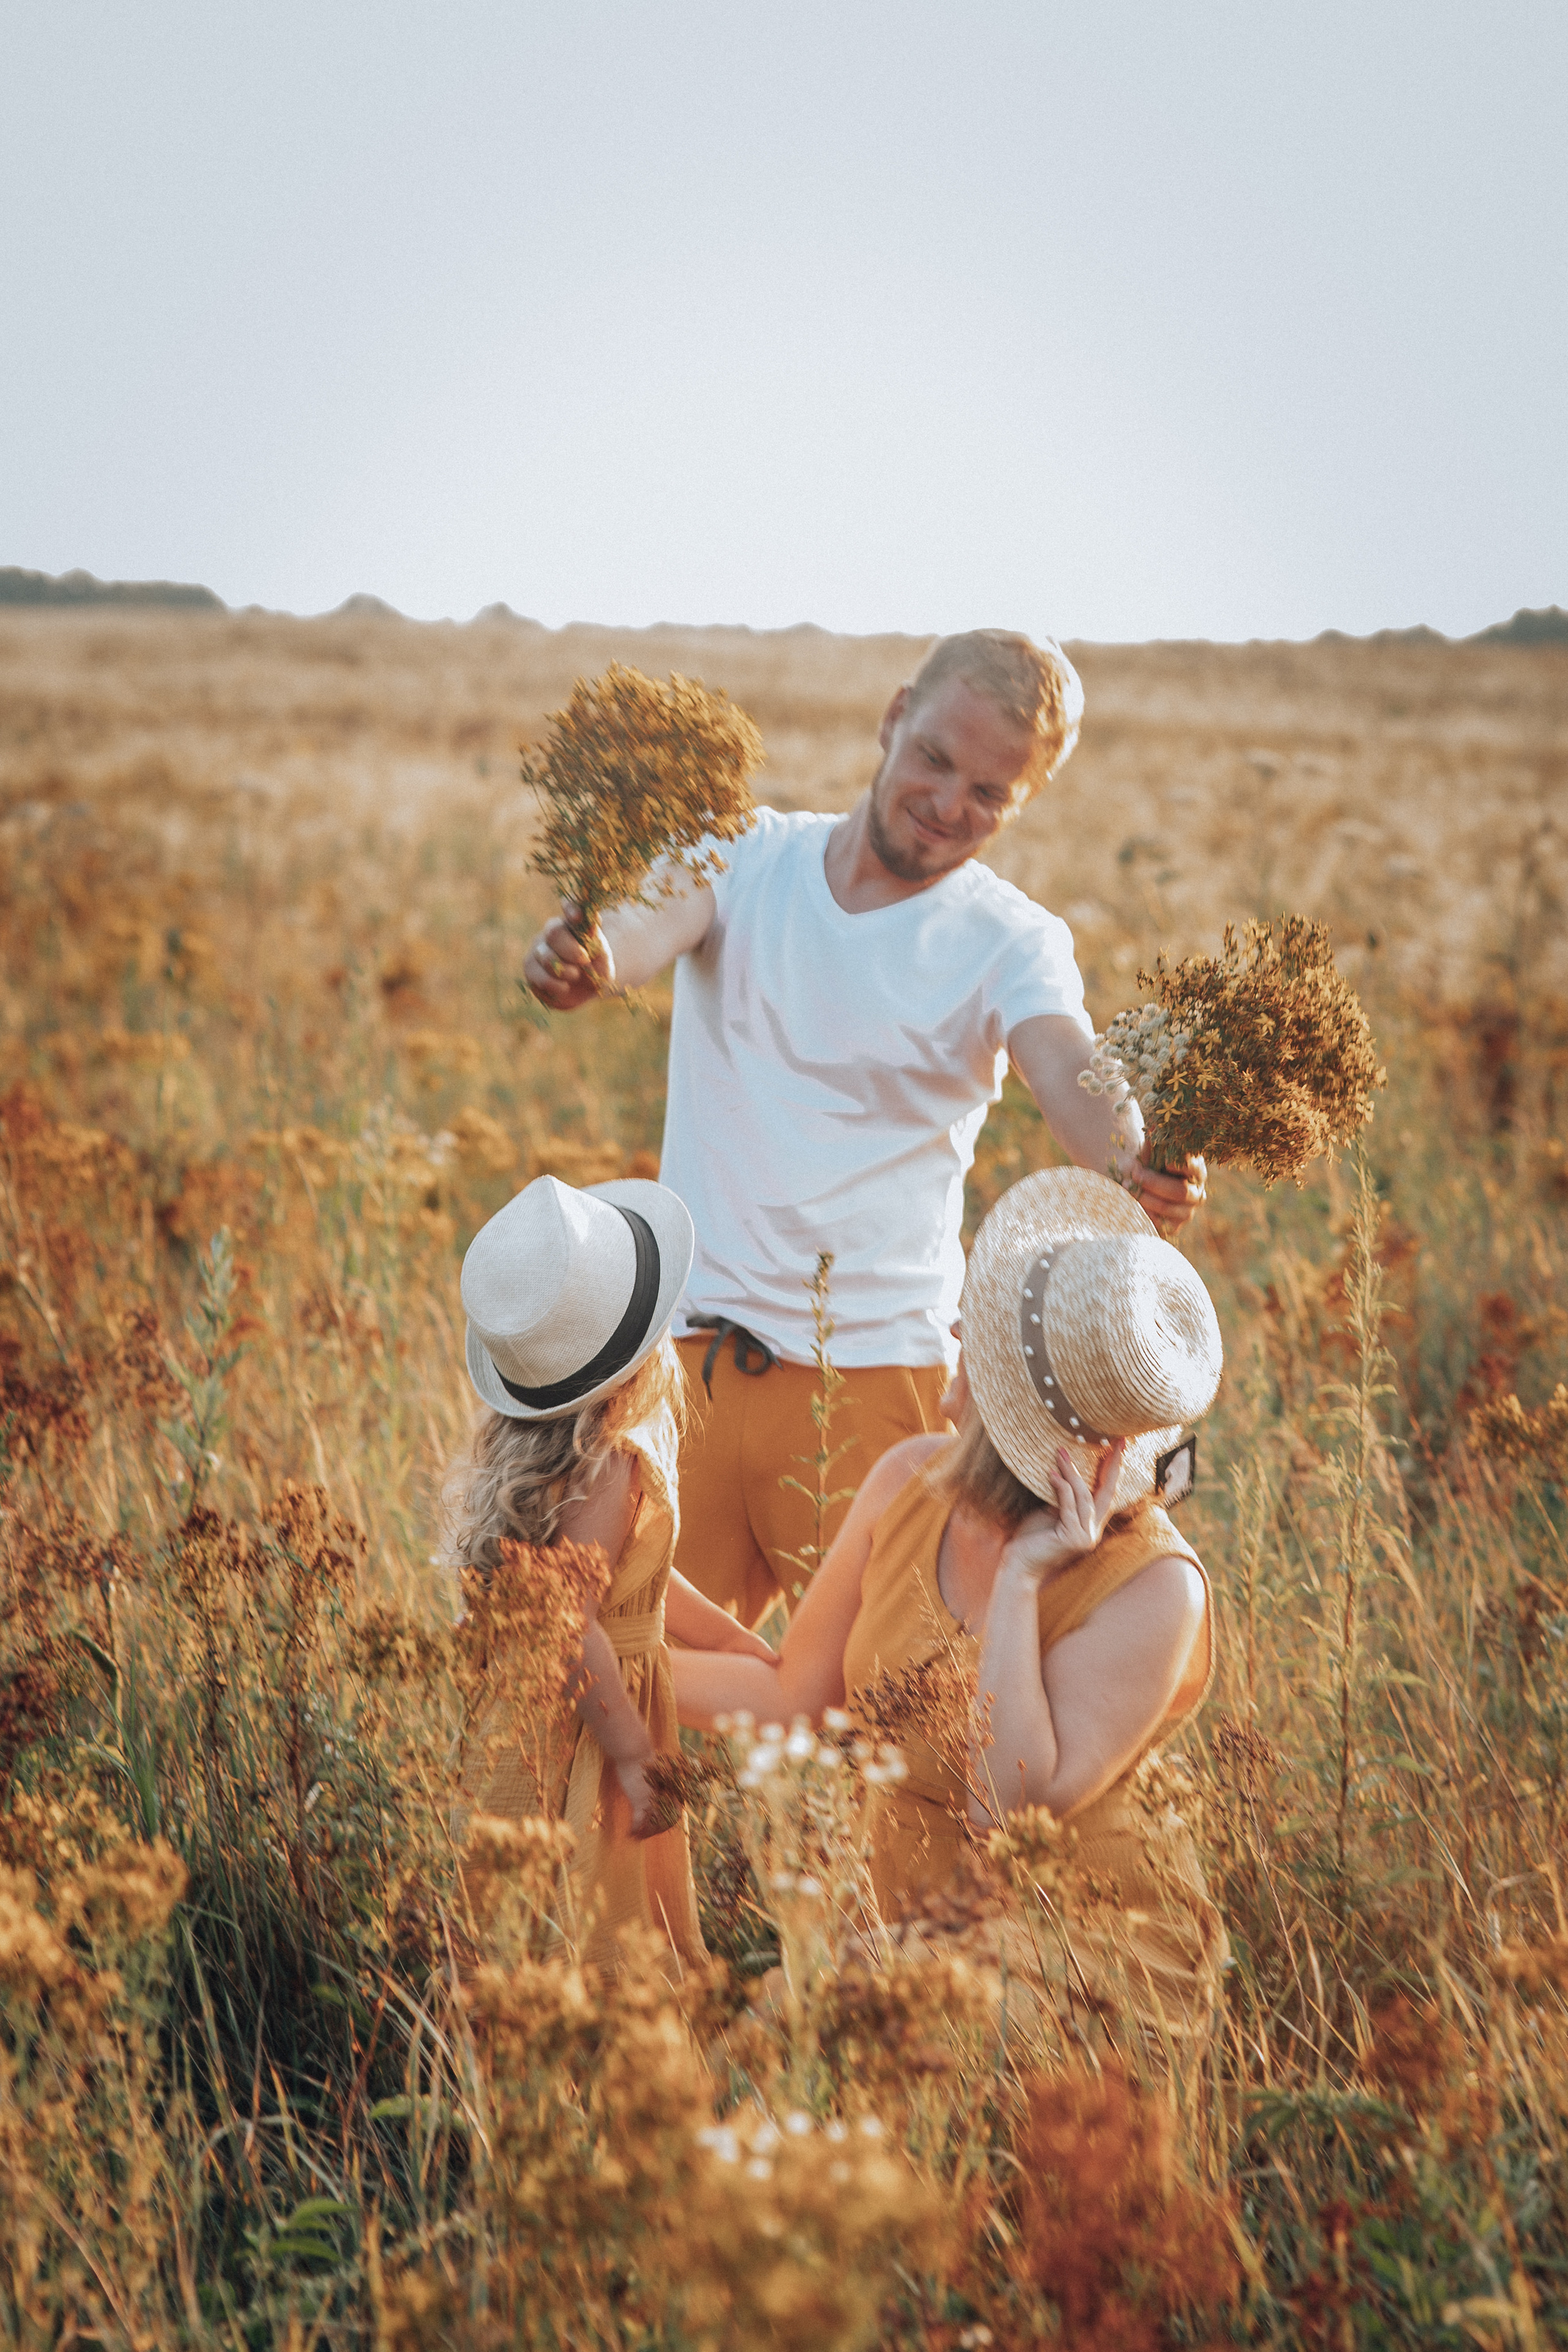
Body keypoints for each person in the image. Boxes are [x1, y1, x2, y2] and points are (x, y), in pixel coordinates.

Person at [526, 629, 1207, 1629]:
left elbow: (1071, 1070)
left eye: (989, 794)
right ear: (895, 717)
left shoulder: (1010, 940)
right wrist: (582, 958)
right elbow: (629, 939)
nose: (947, 806)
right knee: (633, 1687)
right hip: (688, 1366)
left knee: (882, 1722)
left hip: (879, 1385)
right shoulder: (744, 855)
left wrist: (1134, 1158)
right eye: (935, 759)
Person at [673, 1166, 1227, 2054]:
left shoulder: (1157, 1585)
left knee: (826, 2046)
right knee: (754, 2054)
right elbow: (796, 1697)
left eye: (981, 1329)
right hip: (913, 1933)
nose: (953, 1327)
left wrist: (1021, 1584)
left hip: (1082, 1951)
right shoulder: (909, 1479)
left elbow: (1005, 1810)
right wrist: (605, 1666)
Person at [443, 1170, 775, 1975]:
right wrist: (630, 1751)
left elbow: (641, 1581)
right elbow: (574, 1621)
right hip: (588, 1719)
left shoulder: (556, 1451)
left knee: (521, 1913)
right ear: (640, 1352)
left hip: (537, 1703)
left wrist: (730, 1636)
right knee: (596, 1913)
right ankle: (599, 2066)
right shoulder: (611, 1466)